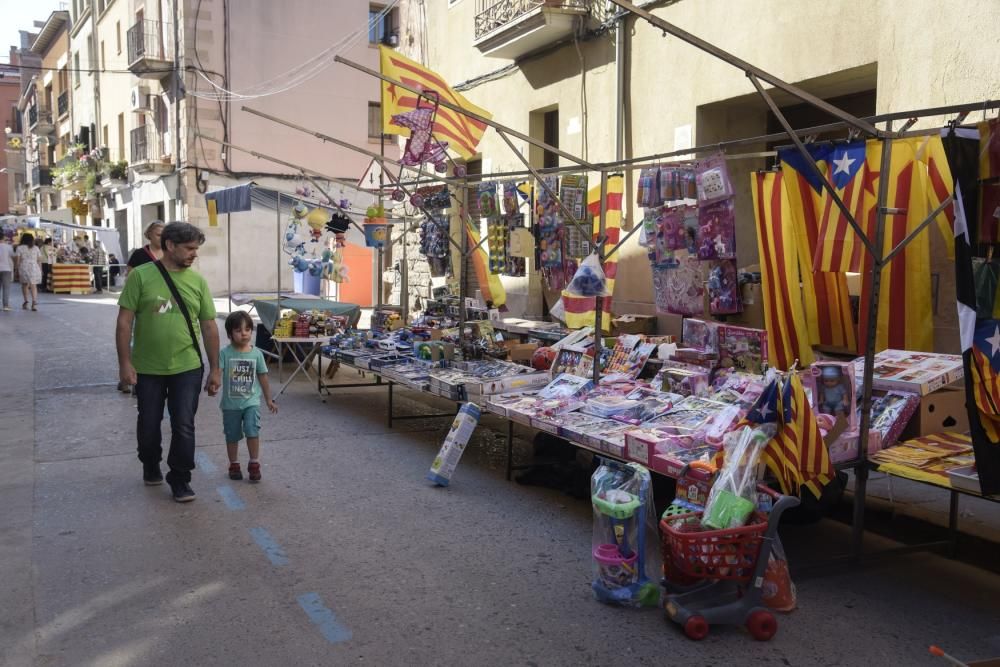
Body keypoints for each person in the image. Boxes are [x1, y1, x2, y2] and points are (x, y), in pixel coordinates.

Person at [116, 221, 221, 502]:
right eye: (189, 248)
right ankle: (150, 463)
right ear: (170, 245)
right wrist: (125, 363)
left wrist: (215, 369)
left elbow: (209, 326)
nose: (194, 254)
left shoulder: (198, 282)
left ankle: (180, 478)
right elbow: (124, 322)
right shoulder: (140, 276)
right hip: (147, 367)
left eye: (196, 248)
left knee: (184, 424)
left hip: (187, 366)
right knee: (149, 423)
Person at [219, 311, 278, 483]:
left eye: (247, 329)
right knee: (232, 435)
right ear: (229, 334)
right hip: (230, 405)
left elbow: (263, 377)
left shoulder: (256, 354)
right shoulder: (224, 353)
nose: (244, 333)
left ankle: (254, 463)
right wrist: (213, 383)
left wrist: (268, 399)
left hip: (251, 402)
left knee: (253, 431)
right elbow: (218, 372)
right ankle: (234, 464)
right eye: (238, 330)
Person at [14, 233, 41, 311]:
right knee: (33, 285)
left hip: (24, 267)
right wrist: (40, 269)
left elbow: (18, 261)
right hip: (34, 267)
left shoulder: (19, 248)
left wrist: (16, 270)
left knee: (24, 285)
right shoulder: (36, 248)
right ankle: (34, 303)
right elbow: (39, 260)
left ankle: (26, 302)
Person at [0, 235, 14, 311]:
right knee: (6, 288)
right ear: (3, 238)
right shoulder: (8, 247)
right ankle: (5, 305)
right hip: (6, 269)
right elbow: (12, 256)